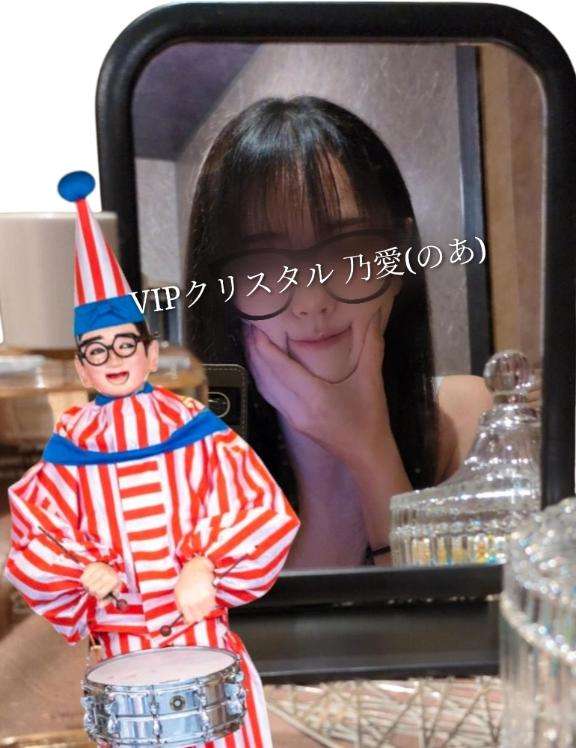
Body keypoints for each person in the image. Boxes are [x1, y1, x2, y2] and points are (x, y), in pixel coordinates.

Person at [3, 171, 300, 748]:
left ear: (151, 353)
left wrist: (205, 564)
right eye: (96, 351)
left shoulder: (196, 431)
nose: (112, 359)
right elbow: (36, 534)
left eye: (124, 345)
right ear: (82, 367)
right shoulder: (70, 449)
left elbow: (259, 506)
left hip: (204, 641)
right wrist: (82, 569)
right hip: (119, 658)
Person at [184, 95, 493, 568]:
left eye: (348, 251)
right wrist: (324, 466)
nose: (311, 300)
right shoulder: (185, 468)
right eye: (264, 264)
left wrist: (370, 451)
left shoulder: (469, 418)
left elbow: (438, 613)